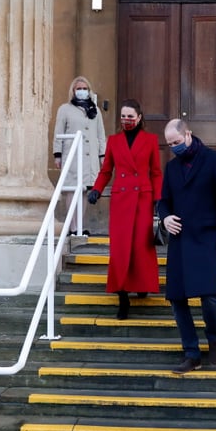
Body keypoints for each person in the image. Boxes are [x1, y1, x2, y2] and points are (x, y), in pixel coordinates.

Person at [157, 119, 216, 375]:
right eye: (170, 145)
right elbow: (164, 201)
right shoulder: (171, 168)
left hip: (209, 238)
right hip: (180, 241)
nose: (174, 148)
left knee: (210, 296)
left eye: (177, 142)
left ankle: (214, 340)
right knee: (177, 299)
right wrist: (165, 217)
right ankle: (191, 353)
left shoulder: (215, 160)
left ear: (188, 134)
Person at [86, 100, 162, 320]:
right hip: (121, 200)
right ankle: (122, 296)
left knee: (141, 246)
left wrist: (158, 198)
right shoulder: (114, 141)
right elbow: (106, 170)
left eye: (130, 116)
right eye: (123, 116)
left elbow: (156, 172)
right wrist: (97, 190)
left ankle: (143, 284)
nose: (126, 120)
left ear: (139, 117)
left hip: (143, 199)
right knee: (120, 249)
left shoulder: (150, 140)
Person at [53, 76, 107, 235]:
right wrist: (57, 154)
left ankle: (80, 225)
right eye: (79, 88)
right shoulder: (65, 109)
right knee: (71, 190)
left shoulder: (94, 110)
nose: (82, 91)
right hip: (72, 155)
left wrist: (102, 155)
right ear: (73, 91)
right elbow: (58, 132)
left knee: (84, 190)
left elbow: (100, 134)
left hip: (89, 157)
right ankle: (73, 226)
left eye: (85, 88)